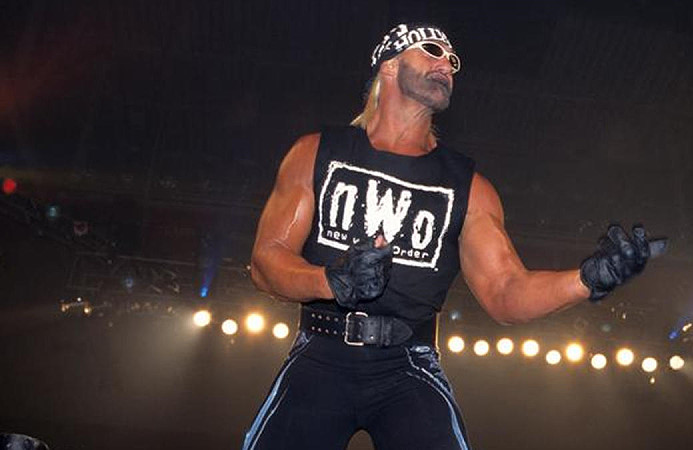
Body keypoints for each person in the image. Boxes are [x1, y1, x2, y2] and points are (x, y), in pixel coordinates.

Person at [242, 23, 665, 450]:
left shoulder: (468, 186)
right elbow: (266, 261)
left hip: (408, 364)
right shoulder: (317, 152)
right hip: (321, 352)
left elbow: (505, 292)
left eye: (453, 60)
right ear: (389, 64)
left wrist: (588, 280)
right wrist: (330, 281)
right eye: (432, 50)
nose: (447, 65)